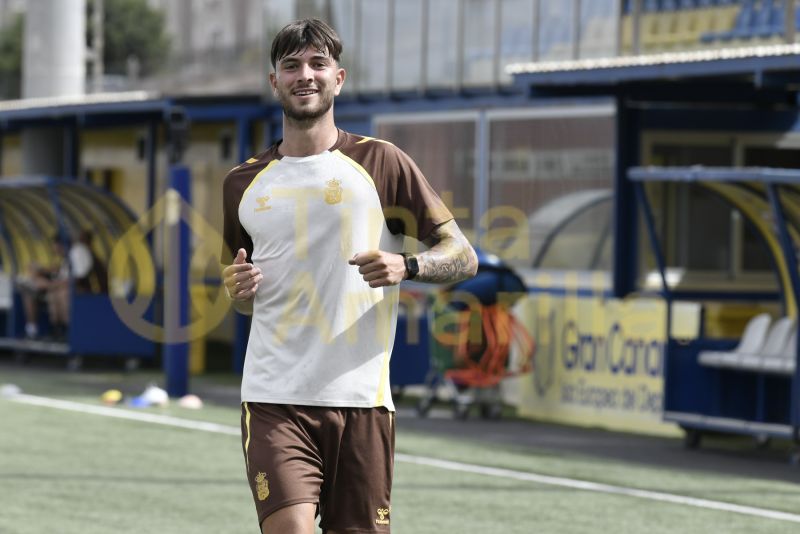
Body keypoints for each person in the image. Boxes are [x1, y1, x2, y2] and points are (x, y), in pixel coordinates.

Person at [221, 18, 477, 534]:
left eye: (318, 64)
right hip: (274, 397)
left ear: (339, 78)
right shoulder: (242, 183)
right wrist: (238, 293)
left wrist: (408, 265)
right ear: (275, 82)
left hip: (361, 400)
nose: (304, 75)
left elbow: (463, 255)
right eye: (291, 66)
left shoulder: (382, 162)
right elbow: (244, 295)